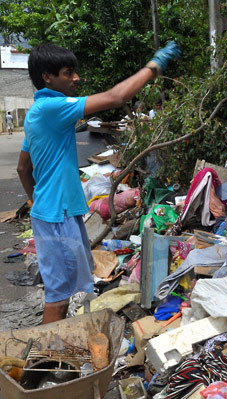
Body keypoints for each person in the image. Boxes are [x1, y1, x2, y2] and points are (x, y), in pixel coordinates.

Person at [16, 42, 180, 324]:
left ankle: (51, 358)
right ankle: (40, 364)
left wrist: (38, 202)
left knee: (62, 292)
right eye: (68, 73)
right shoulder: (53, 107)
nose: (76, 78)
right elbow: (117, 97)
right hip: (57, 216)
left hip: (53, 212)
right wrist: (155, 65)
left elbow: (22, 168)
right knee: (57, 298)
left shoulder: (37, 112)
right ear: (47, 77)